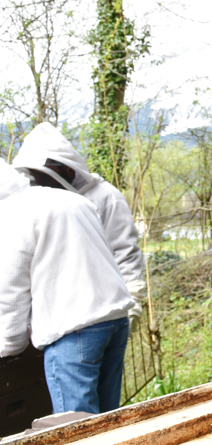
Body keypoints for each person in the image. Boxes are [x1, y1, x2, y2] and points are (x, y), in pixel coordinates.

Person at [0, 159, 134, 414]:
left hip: (74, 330)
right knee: (108, 422)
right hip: (115, 319)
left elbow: (10, 287)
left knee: (77, 429)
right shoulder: (70, 200)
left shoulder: (12, 216)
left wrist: (9, 345)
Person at [12, 123, 147, 330]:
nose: (42, 182)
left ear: (67, 168)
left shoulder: (106, 198)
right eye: (36, 176)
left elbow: (124, 253)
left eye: (46, 176)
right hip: (53, 317)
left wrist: (132, 303)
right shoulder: (34, 202)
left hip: (100, 312)